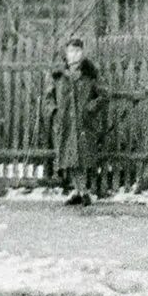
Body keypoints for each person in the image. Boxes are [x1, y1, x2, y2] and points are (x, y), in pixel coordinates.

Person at [43, 37, 104, 205]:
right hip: (64, 123)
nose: (74, 55)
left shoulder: (90, 74)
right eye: (71, 51)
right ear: (66, 53)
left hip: (84, 123)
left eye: (78, 51)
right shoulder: (57, 75)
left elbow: (104, 95)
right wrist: (54, 112)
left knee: (82, 157)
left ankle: (83, 191)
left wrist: (90, 108)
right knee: (68, 157)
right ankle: (77, 191)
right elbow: (48, 98)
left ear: (83, 53)